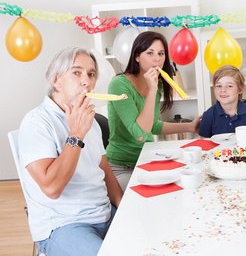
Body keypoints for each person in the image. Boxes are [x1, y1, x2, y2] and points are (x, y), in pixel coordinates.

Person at [18, 47, 123, 256]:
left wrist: (124, 208)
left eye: (91, 74)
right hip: (63, 225)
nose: (87, 81)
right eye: (77, 72)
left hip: (104, 214)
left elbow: (103, 169)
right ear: (56, 80)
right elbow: (52, 188)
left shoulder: (88, 120)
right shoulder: (36, 122)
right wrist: (76, 134)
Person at [107, 31, 201, 191]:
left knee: (183, 184)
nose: (157, 58)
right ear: (137, 56)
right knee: (151, 195)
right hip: (121, 166)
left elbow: (152, 126)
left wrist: (190, 127)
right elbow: (141, 133)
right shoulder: (119, 85)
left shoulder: (155, 84)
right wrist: (151, 91)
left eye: (161, 53)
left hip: (147, 159)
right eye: (150, 53)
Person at [199, 64, 246, 137]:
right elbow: (204, 140)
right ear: (213, 88)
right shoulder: (208, 115)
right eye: (219, 86)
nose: (223, 90)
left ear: (240, 89)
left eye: (229, 86)